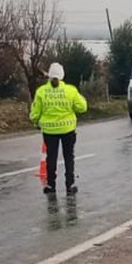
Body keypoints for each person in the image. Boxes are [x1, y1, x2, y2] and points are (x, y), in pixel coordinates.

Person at [30, 62, 87, 195]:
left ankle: (50, 185)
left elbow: (35, 113)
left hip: (49, 131)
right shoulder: (70, 90)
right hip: (68, 130)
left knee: (51, 157)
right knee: (69, 157)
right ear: (62, 76)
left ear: (49, 76)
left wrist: (35, 122)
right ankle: (70, 184)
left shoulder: (41, 92)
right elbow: (82, 107)